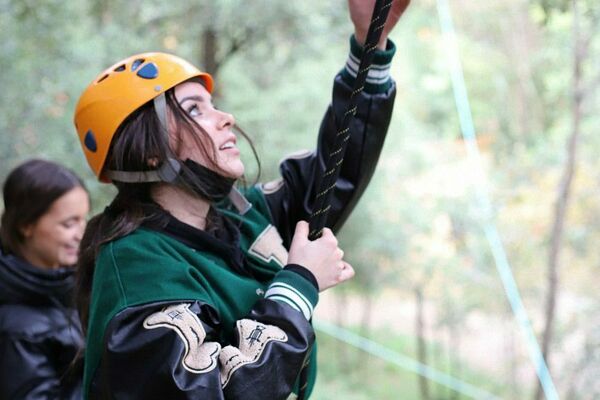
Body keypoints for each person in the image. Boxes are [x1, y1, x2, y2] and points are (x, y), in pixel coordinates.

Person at [73, 0, 409, 398]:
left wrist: (370, 43)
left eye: (213, 105)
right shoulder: (137, 269)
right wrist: (298, 284)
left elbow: (333, 174)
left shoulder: (242, 218)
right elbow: (212, 391)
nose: (225, 118)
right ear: (149, 151)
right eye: (194, 110)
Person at [0, 159, 90, 399]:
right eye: (69, 224)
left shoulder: (66, 282)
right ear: (26, 225)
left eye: (83, 220)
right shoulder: (15, 329)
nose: (80, 234)